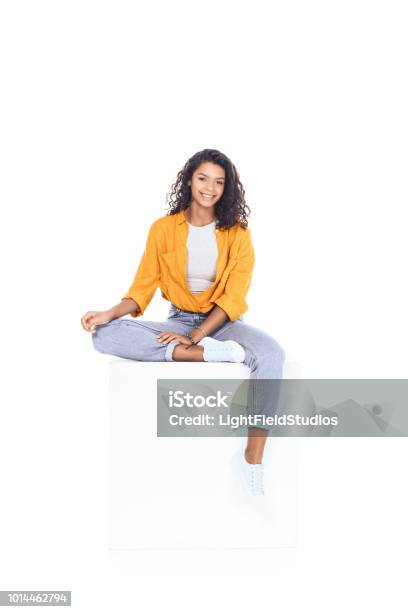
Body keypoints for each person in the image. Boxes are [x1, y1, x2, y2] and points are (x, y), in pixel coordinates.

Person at [81, 148, 285, 496]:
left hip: (222, 324)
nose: (210, 188)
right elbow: (142, 288)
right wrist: (109, 313)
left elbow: (234, 298)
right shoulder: (162, 229)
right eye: (203, 178)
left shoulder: (238, 234)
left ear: (227, 188)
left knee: (272, 354)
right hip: (179, 322)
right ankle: (201, 355)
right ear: (189, 179)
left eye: (219, 182)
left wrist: (201, 333)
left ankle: (252, 459)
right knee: (102, 335)